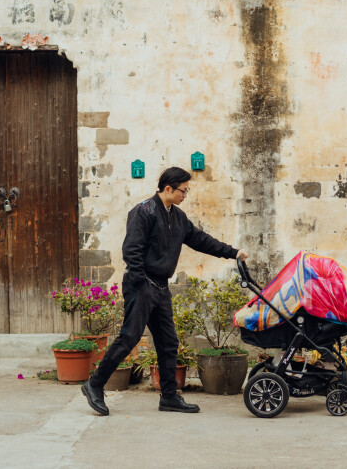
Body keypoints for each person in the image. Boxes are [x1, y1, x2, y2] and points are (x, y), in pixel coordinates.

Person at [81, 166, 248, 415]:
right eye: (183, 190)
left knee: (168, 342)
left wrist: (233, 253)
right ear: (168, 188)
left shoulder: (178, 218)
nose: (185, 195)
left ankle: (169, 396)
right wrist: (140, 284)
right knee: (129, 337)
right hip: (142, 285)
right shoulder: (143, 212)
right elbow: (132, 250)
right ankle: (94, 385)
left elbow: (201, 240)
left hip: (161, 287)